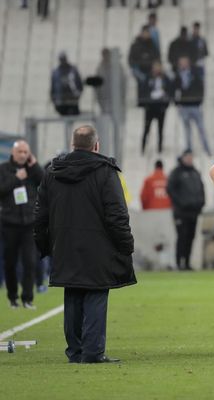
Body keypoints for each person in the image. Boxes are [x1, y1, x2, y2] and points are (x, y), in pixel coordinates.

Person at [33, 125, 136, 363]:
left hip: (64, 245)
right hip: (99, 245)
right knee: (96, 293)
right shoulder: (105, 171)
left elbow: (40, 213)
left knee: (73, 293)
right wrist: (126, 244)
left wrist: (44, 244)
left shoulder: (52, 171)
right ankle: (92, 352)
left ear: (72, 145)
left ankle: (76, 352)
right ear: (96, 145)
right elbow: (117, 214)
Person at [0, 140, 43, 309]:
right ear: (13, 152)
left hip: (29, 223)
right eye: (20, 152)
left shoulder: (32, 169)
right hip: (9, 223)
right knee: (10, 262)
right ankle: (12, 297)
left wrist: (36, 165)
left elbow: (44, 182)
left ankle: (27, 298)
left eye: (26, 152)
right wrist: (16, 178)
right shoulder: (3, 169)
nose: (23, 155)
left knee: (30, 262)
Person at [166, 150, 205, 270]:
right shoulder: (176, 173)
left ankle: (187, 263)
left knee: (191, 237)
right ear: (182, 158)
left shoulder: (195, 173)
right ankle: (179, 263)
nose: (189, 160)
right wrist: (181, 203)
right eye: (187, 157)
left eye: (191, 157)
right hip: (181, 212)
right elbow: (170, 190)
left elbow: (201, 190)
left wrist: (201, 203)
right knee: (181, 237)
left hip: (193, 212)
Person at [173, 57, 211, 156]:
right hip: (184, 106)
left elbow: (200, 86)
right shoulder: (178, 76)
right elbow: (175, 90)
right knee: (187, 129)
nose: (183, 65)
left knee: (201, 128)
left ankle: (206, 148)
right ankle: (189, 149)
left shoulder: (194, 74)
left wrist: (199, 100)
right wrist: (178, 103)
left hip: (194, 105)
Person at [140, 61, 171, 154]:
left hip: (160, 108)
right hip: (150, 107)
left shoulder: (165, 78)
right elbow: (143, 90)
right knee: (146, 129)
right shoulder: (148, 78)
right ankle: (143, 148)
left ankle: (160, 149)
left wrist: (165, 105)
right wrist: (146, 103)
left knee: (160, 129)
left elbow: (170, 91)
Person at [128, 25, 160, 104]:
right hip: (139, 70)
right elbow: (131, 60)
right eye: (144, 32)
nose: (146, 34)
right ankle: (141, 102)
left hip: (150, 71)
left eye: (147, 33)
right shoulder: (135, 45)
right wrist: (137, 65)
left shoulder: (153, 46)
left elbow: (157, 58)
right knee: (142, 81)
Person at [95, 48, 127, 124]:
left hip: (117, 101)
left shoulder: (118, 67)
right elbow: (97, 88)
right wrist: (100, 101)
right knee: (106, 124)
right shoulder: (100, 69)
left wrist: (122, 98)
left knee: (118, 124)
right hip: (105, 101)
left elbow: (123, 83)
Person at [51, 52, 83, 116]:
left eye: (64, 59)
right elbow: (53, 87)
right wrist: (54, 100)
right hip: (61, 102)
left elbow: (79, 84)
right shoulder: (56, 72)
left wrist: (77, 96)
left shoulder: (73, 70)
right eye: (61, 59)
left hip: (72, 102)